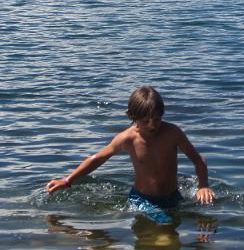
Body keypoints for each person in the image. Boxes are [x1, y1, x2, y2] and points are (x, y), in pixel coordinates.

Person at [46, 86, 215, 219]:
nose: (152, 125)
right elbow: (97, 159)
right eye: (145, 121)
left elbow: (199, 160)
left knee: (201, 224)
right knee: (166, 230)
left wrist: (203, 186)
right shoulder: (127, 138)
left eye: (156, 119)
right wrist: (67, 181)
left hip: (173, 197)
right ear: (132, 117)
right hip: (141, 199)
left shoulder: (173, 133)